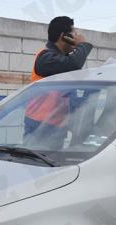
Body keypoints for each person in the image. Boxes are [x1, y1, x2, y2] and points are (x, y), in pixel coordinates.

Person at [23, 16, 93, 147]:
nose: (76, 36)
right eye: (73, 33)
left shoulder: (62, 59)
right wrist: (83, 45)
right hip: (40, 126)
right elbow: (73, 64)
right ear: (63, 36)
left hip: (56, 126)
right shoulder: (46, 57)